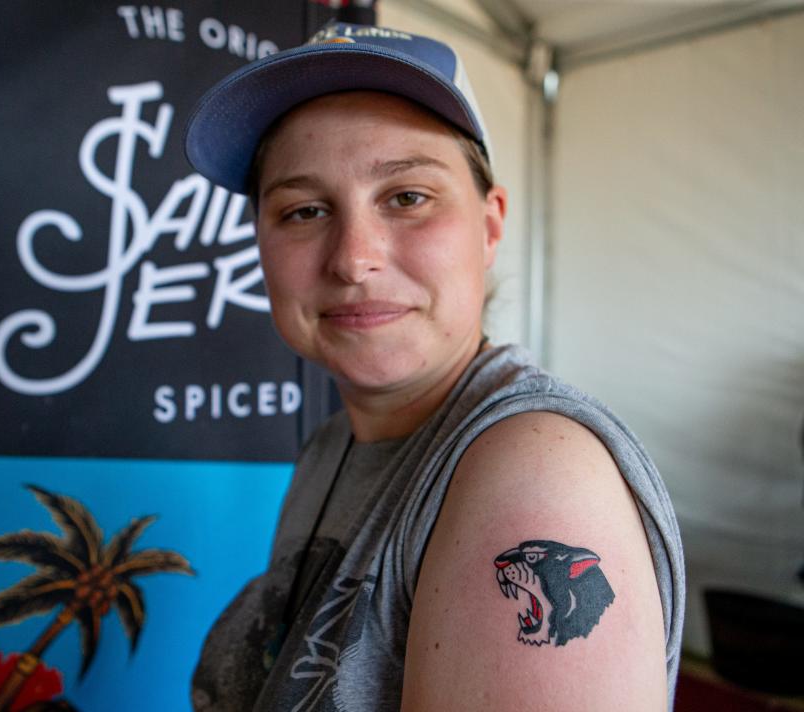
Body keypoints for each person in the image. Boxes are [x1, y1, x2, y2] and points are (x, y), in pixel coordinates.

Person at [184, 20, 684, 712]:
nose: (353, 258)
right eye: (303, 210)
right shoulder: (332, 448)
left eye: (407, 197)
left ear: (489, 226)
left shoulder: (535, 474)